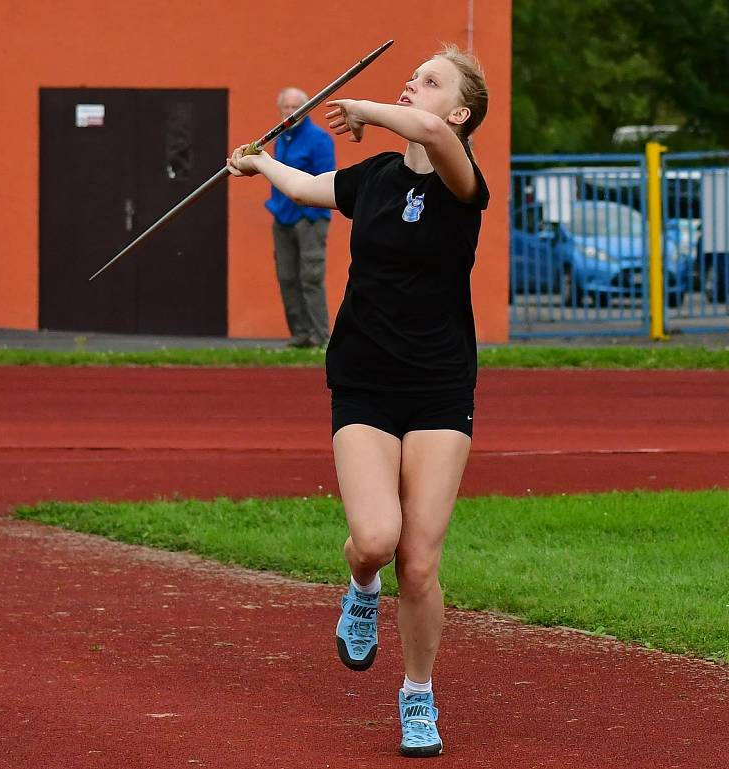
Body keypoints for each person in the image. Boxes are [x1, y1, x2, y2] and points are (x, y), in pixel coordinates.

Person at [228, 44, 489, 758]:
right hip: (365, 379)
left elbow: (432, 139)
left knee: (421, 561)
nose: (413, 85)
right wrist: (258, 164)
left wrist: (368, 110)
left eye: (429, 82)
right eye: (414, 77)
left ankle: (417, 694)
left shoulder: (464, 179)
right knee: (376, 540)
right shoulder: (373, 177)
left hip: (438, 385)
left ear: (460, 112)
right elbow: (314, 190)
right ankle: (358, 586)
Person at [265, 87, 336, 348]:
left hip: (310, 218)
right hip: (282, 216)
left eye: (296, 106)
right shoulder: (280, 137)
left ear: (306, 108)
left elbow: (326, 178)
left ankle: (321, 336)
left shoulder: (319, 139)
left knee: (311, 278)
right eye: (286, 107)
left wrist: (311, 213)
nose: (291, 111)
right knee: (287, 276)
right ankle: (300, 334)